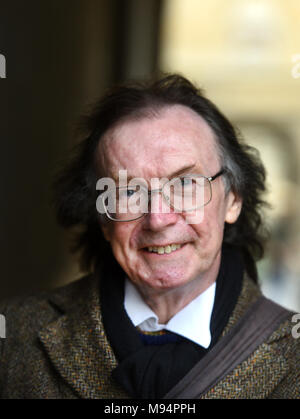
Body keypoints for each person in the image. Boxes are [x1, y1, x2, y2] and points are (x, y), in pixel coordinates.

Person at [0, 74, 299, 399]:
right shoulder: (13, 336)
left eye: (185, 184)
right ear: (102, 217)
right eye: (128, 191)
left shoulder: (292, 353)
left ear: (233, 199)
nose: (158, 218)